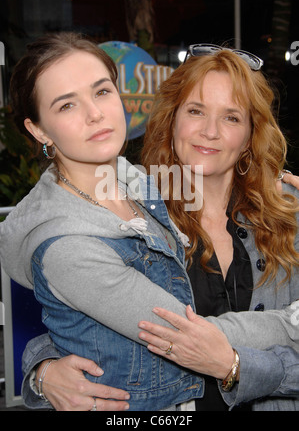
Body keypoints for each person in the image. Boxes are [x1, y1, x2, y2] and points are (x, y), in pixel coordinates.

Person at [2, 37, 299, 411]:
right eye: (195, 111)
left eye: (232, 117)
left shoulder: (288, 213)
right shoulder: (144, 204)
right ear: (172, 119)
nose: (211, 131)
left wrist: (239, 367)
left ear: (251, 135)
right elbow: (86, 319)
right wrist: (43, 371)